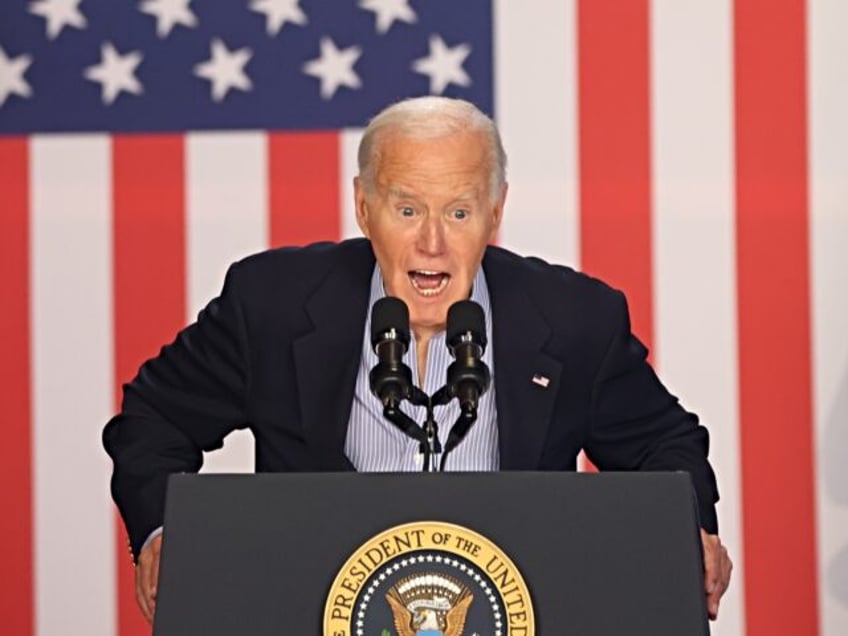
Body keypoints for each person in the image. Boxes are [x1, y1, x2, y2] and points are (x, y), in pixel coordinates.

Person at [103, 96, 732, 624]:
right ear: (363, 207)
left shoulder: (572, 320)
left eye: (458, 212)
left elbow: (665, 444)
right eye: (407, 210)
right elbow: (155, 419)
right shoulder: (273, 304)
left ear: (494, 212)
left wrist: (691, 530)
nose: (432, 241)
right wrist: (160, 535)